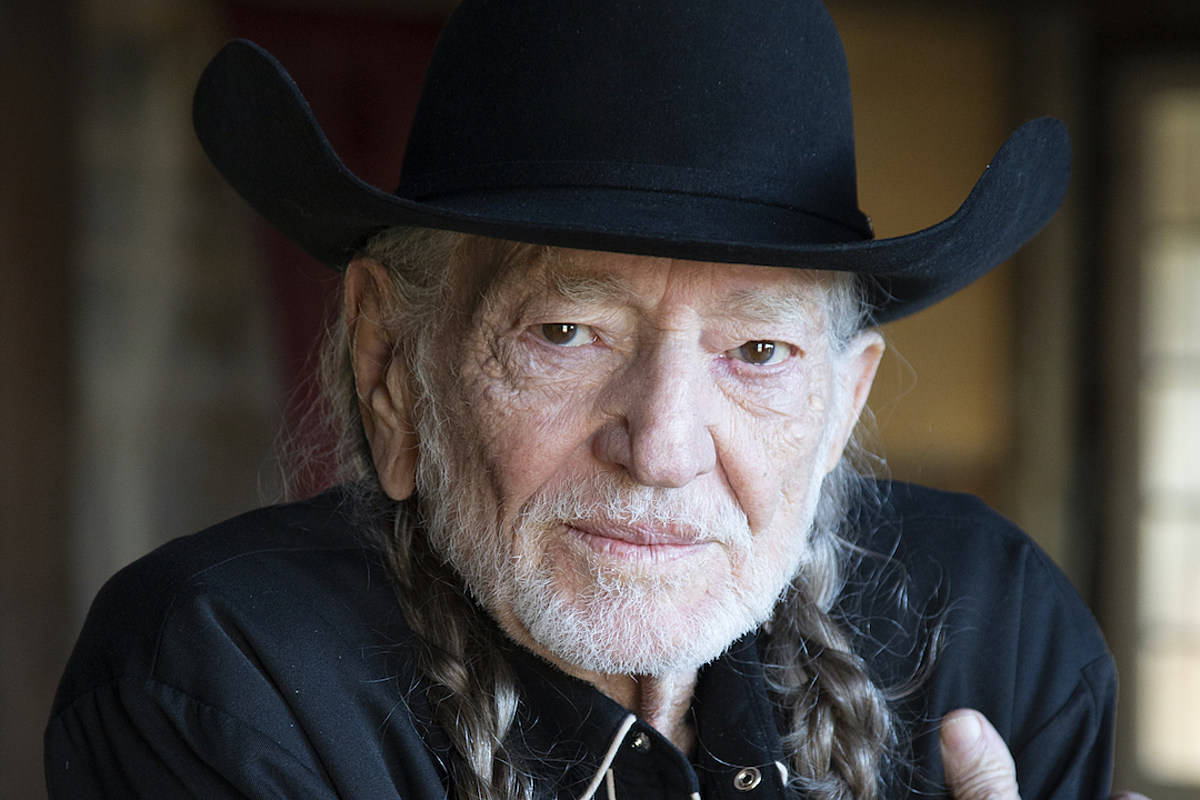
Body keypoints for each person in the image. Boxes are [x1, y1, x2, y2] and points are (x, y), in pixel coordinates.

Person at [46, 1, 1127, 798]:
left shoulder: (992, 634)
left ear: (842, 408)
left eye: (756, 350)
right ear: (390, 366)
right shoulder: (226, 675)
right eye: (565, 332)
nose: (661, 447)